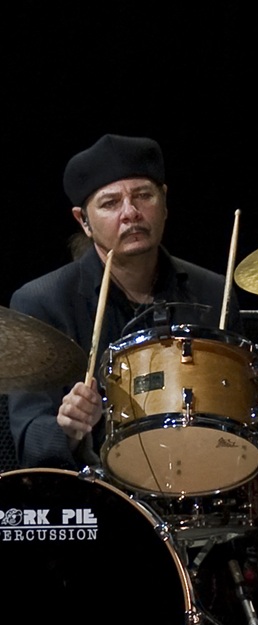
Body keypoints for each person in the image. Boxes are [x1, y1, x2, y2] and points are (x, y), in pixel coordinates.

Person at [8, 133, 242, 470]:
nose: (130, 212)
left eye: (143, 196)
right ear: (83, 221)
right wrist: (69, 429)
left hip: (199, 487)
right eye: (110, 203)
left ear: (164, 201)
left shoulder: (212, 294)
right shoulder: (42, 302)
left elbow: (241, 416)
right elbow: (29, 441)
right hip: (93, 501)